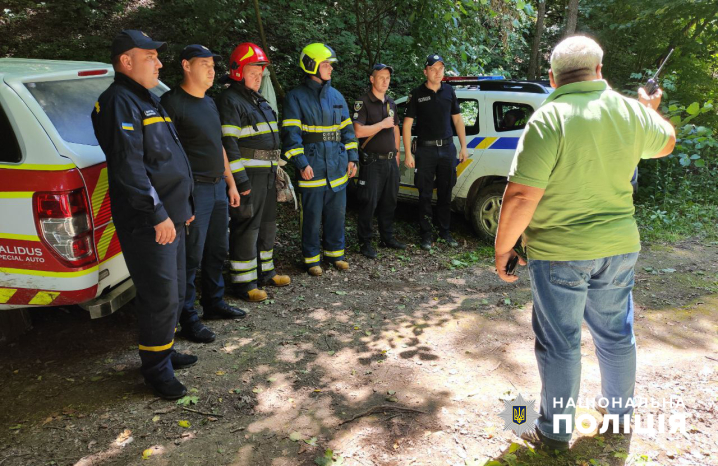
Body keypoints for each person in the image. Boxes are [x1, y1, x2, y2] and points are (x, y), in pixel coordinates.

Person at [494, 35, 676, 452]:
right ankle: (619, 413)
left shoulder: (548, 118)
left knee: (560, 340)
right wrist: (651, 110)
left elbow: (521, 196)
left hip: (559, 252)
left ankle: (556, 432)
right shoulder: (631, 112)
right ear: (599, 70)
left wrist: (503, 249)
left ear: (553, 77)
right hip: (618, 245)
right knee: (615, 333)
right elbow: (666, 142)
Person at [91, 30, 197, 400]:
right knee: (160, 296)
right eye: (150, 56)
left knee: (176, 288)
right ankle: (155, 371)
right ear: (126, 61)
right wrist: (157, 215)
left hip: (172, 215)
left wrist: (182, 209)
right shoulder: (119, 101)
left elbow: (166, 160)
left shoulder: (145, 99)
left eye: (157, 56)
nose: (159, 62)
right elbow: (129, 169)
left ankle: (164, 352)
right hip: (150, 222)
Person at [160, 44, 247, 343]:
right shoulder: (171, 103)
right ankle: (188, 318)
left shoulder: (209, 102)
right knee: (190, 257)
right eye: (204, 64)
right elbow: (166, 156)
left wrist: (231, 182)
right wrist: (180, 198)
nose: (212, 70)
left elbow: (217, 145)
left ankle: (214, 303)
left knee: (216, 249)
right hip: (193, 189)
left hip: (218, 187)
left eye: (213, 64)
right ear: (186, 65)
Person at [216, 42, 291, 302]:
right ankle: (244, 282)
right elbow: (229, 144)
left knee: (267, 225)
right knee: (247, 226)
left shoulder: (257, 100)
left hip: (268, 174)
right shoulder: (230, 100)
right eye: (253, 72)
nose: (258, 77)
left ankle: (265, 272)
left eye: (261, 72)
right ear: (238, 71)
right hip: (249, 177)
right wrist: (240, 180)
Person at [281, 43, 359, 276]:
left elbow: (348, 132)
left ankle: (336, 254)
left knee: (337, 214)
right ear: (311, 65)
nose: (330, 69)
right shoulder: (295, 97)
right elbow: (291, 136)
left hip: (337, 165)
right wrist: (301, 163)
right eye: (326, 64)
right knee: (312, 217)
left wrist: (352, 158)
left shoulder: (337, 96)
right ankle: (311, 258)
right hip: (312, 167)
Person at [402, 54, 468, 251]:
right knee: (424, 193)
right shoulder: (416, 94)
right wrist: (408, 153)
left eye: (441, 68)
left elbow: (457, 120)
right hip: (426, 150)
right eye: (433, 68)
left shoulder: (449, 91)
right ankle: (426, 234)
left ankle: (445, 232)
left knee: (446, 192)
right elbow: (407, 126)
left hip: (447, 148)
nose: (438, 72)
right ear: (425, 71)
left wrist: (463, 146)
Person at [351, 63, 406, 259]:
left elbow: (396, 128)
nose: (385, 81)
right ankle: (365, 242)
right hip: (372, 162)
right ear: (372, 79)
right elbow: (357, 131)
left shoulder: (391, 102)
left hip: (390, 160)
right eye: (381, 77)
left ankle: (387, 237)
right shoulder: (363, 102)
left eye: (388, 78)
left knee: (389, 201)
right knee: (369, 202)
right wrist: (381, 124)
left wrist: (397, 151)